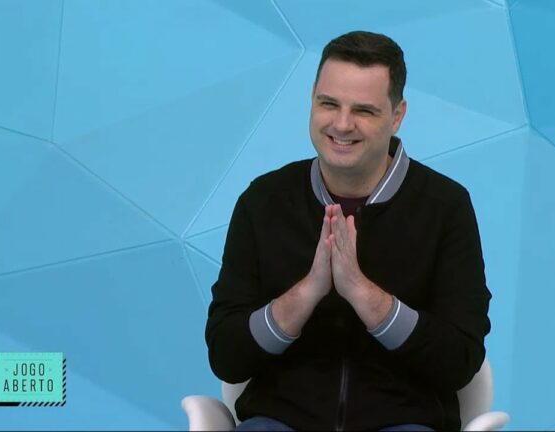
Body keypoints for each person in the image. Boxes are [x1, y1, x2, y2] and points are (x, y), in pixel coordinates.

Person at [205, 30, 491, 431]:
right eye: (329, 104)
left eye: (364, 111)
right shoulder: (263, 200)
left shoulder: (446, 207)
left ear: (397, 116)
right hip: (278, 421)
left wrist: (363, 295)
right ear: (312, 101)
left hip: (404, 423)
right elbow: (226, 356)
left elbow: (460, 360)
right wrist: (308, 292)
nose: (341, 124)